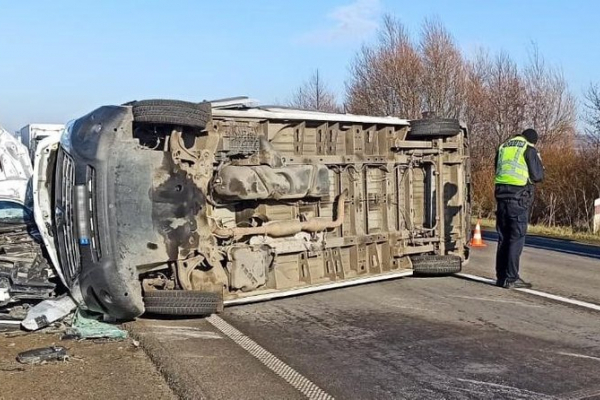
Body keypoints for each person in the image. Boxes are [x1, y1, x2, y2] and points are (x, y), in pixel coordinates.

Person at [494, 128, 544, 288]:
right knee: (516, 237)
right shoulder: (528, 149)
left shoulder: (503, 147)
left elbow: (497, 169)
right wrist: (540, 164)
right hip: (518, 198)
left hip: (501, 197)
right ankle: (512, 278)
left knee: (503, 237)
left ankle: (501, 277)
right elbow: (537, 176)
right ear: (532, 140)